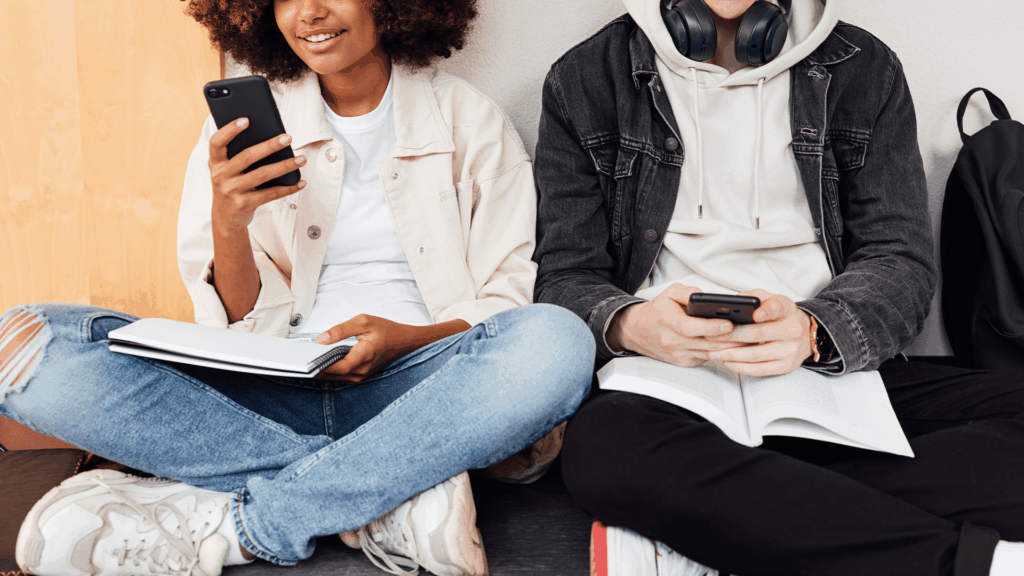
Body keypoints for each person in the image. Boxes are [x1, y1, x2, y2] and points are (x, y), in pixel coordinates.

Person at [1, 0, 595, 575]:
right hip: (268, 392)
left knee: (556, 339)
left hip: (420, 389)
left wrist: (407, 340)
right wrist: (228, 223)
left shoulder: (472, 120)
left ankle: (244, 524)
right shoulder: (239, 131)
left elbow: (506, 298)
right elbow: (233, 321)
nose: (307, 13)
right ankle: (389, 495)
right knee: (25, 346)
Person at [532, 0, 1024, 575]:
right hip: (671, 390)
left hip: (833, 371)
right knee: (604, 451)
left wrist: (814, 329)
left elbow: (902, 261)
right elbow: (566, 277)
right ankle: (977, 565)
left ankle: (735, 514)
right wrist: (632, 323)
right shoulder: (585, 77)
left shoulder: (867, 68)